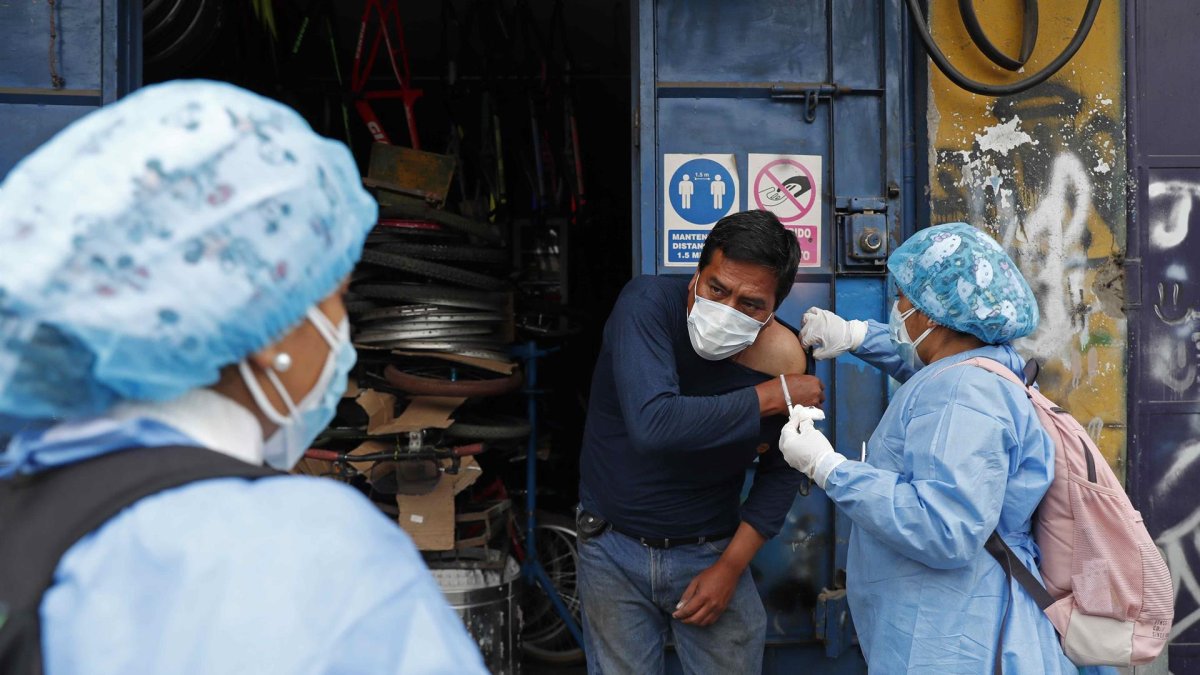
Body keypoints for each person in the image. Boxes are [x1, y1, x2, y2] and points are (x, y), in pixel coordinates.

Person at [0, 81, 487, 674]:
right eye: (336, 297)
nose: (341, 333)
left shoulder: (23, 509)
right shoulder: (313, 555)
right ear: (267, 335)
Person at [781, 222, 1114, 674]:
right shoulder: (984, 367)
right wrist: (857, 336)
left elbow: (945, 528)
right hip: (958, 617)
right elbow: (932, 372)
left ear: (933, 313)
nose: (896, 309)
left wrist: (829, 469)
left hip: (953, 637)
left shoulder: (966, 395)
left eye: (902, 299)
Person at [576, 209, 824, 674]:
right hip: (611, 547)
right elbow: (655, 424)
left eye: (751, 303)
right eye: (717, 289)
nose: (727, 309)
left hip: (711, 549)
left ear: (772, 311)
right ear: (696, 275)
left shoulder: (784, 358)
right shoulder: (647, 306)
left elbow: (784, 468)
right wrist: (773, 397)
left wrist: (730, 568)